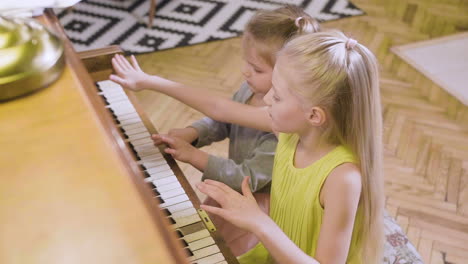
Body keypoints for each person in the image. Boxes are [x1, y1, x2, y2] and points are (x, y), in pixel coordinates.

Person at [110, 30, 384, 264]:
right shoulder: (291, 130)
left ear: (314, 115)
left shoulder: (343, 178)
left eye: (276, 96)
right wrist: (150, 82)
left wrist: (258, 222)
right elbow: (220, 108)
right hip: (276, 251)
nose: (265, 100)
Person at [120, 5, 319, 256]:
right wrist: (193, 132)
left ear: (289, 77)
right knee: (204, 237)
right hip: (230, 188)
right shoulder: (251, 90)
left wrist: (194, 157)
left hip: (254, 204)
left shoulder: (283, 130)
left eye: (257, 69)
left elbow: (245, 178)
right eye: (247, 62)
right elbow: (222, 119)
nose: (246, 72)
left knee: (222, 251)